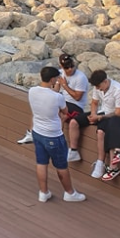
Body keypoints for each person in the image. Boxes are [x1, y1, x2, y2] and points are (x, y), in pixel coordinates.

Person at [28, 67, 86, 203]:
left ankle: (43, 192)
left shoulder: (32, 91)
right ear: (53, 79)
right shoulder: (57, 97)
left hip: (37, 132)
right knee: (61, 166)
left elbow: (47, 97)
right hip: (53, 135)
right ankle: (69, 193)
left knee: (41, 163)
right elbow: (65, 110)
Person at [87, 70, 120, 180]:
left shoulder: (119, 89)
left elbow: (119, 113)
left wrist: (99, 117)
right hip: (110, 115)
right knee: (100, 131)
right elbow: (94, 103)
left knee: (113, 126)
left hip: (117, 118)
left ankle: (113, 166)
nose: (98, 89)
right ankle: (103, 163)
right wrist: (94, 114)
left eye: (99, 86)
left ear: (105, 81)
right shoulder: (98, 87)